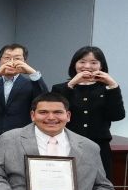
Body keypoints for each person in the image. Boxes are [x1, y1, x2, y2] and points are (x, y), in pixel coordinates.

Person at [51, 46, 124, 179]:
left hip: (99, 147)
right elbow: (54, 115)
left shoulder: (107, 89)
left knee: (100, 184)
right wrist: (72, 84)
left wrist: (113, 85)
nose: (87, 66)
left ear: (101, 66)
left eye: (94, 62)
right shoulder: (61, 88)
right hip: (66, 145)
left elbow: (117, 115)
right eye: (82, 62)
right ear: (74, 65)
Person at [0, 43, 48, 154]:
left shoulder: (31, 84)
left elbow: (44, 101)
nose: (12, 62)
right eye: (7, 58)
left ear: (25, 62)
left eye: (17, 58)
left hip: (20, 138)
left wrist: (32, 72)